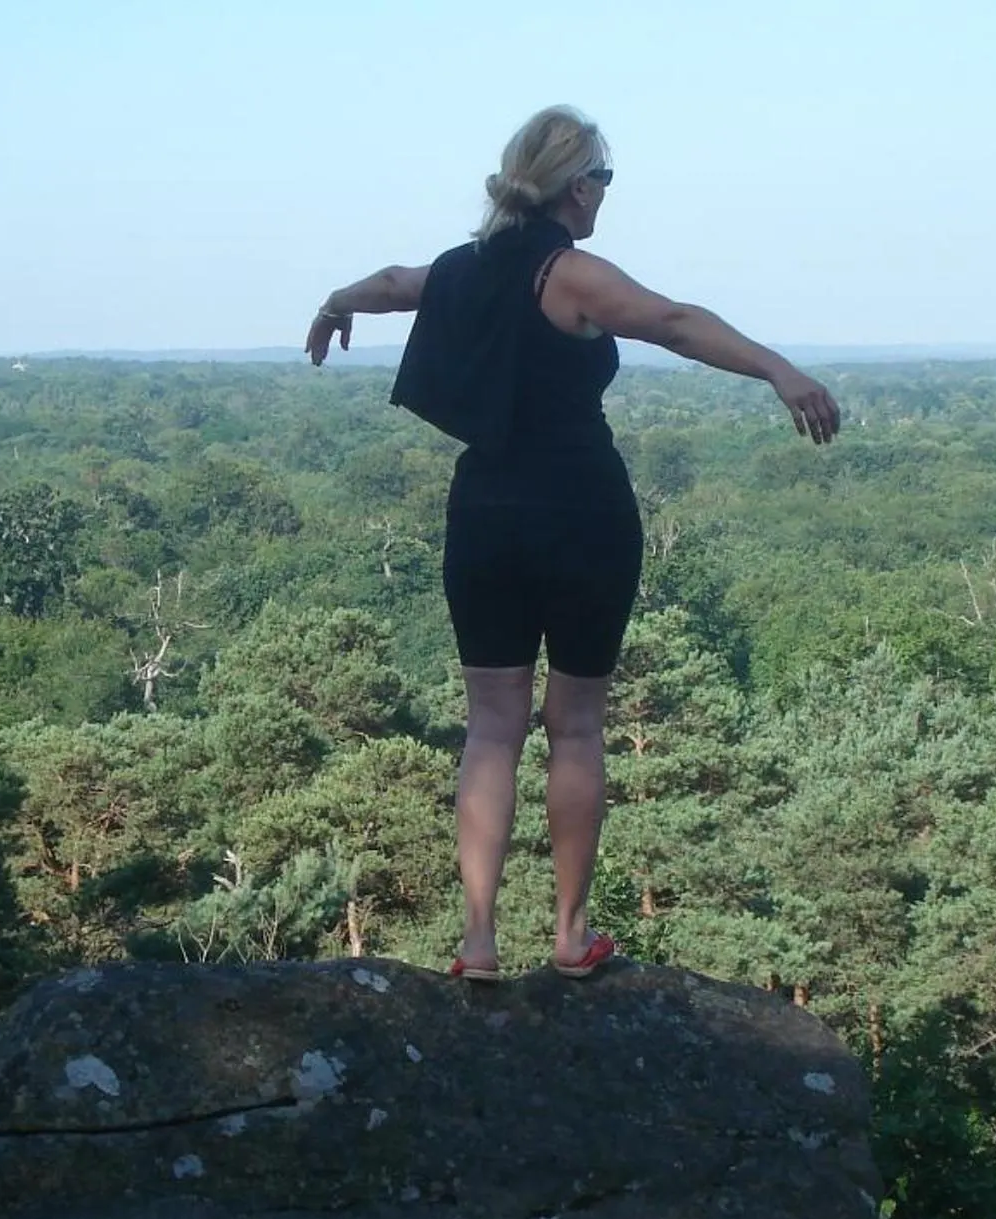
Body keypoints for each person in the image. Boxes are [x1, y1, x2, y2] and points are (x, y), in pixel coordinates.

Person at [306, 106, 838, 981]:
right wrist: (780, 370)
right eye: (604, 179)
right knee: (577, 726)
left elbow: (395, 282)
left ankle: (477, 942)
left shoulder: (459, 270)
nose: (604, 196)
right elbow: (671, 321)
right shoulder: (571, 274)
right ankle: (569, 934)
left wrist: (334, 304)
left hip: (484, 514)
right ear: (576, 185)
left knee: (491, 728)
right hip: (582, 509)